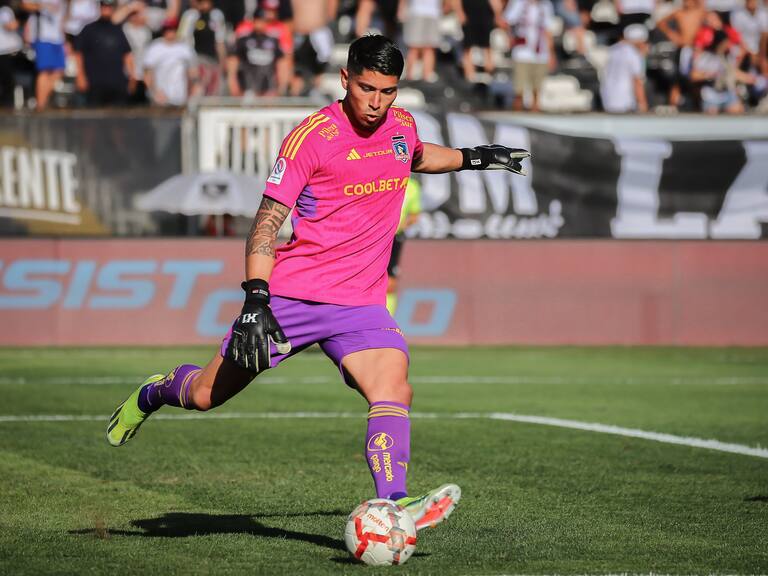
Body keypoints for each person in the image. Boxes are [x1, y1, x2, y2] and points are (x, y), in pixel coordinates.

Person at [106, 35, 529, 528]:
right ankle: (154, 393)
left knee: (394, 389)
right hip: (291, 297)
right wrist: (255, 302)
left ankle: (393, 505)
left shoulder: (401, 126)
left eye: (387, 92)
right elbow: (265, 224)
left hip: (361, 304)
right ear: (345, 79)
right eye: (367, 88)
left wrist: (475, 158)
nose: (375, 103)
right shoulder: (312, 137)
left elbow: (415, 156)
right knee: (205, 395)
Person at [74, 0, 135, 106]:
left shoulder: (118, 30)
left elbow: (127, 55)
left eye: (109, 7)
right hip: (95, 84)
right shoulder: (89, 29)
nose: (106, 9)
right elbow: (78, 54)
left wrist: (132, 77)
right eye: (104, 6)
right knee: (94, 118)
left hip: (117, 84)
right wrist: (80, 76)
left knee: (118, 118)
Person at [504, 0, 557, 111]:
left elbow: (548, 31)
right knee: (519, 92)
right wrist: (509, 37)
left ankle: (535, 115)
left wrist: (551, 53)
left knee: (537, 91)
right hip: (522, 52)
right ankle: (517, 119)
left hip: (540, 54)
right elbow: (506, 21)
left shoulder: (546, 5)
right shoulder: (518, 3)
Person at [656, 0, 707, 108]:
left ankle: (697, 106)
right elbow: (660, 23)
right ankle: (673, 106)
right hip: (683, 49)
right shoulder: (679, 13)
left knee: (695, 78)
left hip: (696, 50)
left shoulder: (700, 12)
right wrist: (672, 35)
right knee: (677, 80)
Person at [142, 17, 197, 106]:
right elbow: (147, 74)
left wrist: (192, 94)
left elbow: (193, 73)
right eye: (166, 30)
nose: (169, 32)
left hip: (181, 98)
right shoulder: (154, 48)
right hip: (160, 98)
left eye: (172, 29)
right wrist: (154, 92)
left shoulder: (186, 49)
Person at [386, 177, 421, 315]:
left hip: (394, 238)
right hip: (375, 236)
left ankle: (388, 322)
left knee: (390, 284)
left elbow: (414, 215)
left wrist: (401, 226)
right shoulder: (384, 180)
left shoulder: (412, 186)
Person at [22, 0, 66, 109]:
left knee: (59, 70)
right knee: (44, 71)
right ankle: (40, 105)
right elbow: (25, 5)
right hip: (42, 37)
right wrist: (43, 6)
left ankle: (43, 102)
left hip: (58, 38)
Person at [178, 0, 227, 96]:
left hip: (213, 59)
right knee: (198, 89)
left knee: (214, 90)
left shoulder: (217, 15)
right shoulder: (190, 15)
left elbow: (220, 41)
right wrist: (191, 65)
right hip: (197, 58)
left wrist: (222, 62)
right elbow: (184, 40)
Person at [600, 23, 648, 112]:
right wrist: (642, 103)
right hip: (625, 100)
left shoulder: (612, 50)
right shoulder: (634, 54)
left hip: (608, 98)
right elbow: (637, 81)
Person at [399, 0, 441, 82]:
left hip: (434, 13)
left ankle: (427, 75)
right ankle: (410, 76)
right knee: (414, 47)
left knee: (430, 47)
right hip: (416, 12)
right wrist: (401, 9)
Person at [0, 0, 22, 106]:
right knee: (8, 81)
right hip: (6, 51)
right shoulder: (5, 10)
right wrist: (20, 22)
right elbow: (10, 26)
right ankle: (7, 104)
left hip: (4, 51)